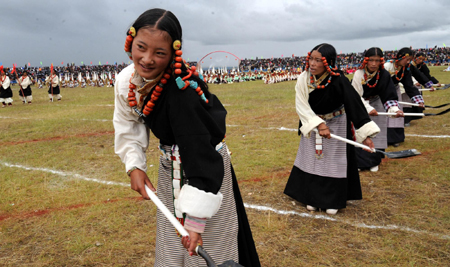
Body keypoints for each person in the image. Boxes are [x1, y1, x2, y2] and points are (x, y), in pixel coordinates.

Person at [113, 8, 260, 267]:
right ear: (130, 41)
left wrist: (195, 221)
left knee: (204, 246)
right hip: (172, 168)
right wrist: (134, 164)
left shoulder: (182, 92)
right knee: (172, 248)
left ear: (173, 55)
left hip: (204, 173)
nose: (147, 59)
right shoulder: (127, 81)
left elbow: (201, 154)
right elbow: (128, 124)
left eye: (159, 53)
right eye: (141, 47)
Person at [284, 43, 380, 215]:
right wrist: (319, 124)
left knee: (332, 162)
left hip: (336, 123)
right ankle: (311, 197)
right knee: (312, 160)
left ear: (328, 62)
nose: (312, 64)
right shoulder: (303, 79)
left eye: (318, 60)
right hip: (313, 125)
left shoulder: (339, 81)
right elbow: (301, 105)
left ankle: (331, 200)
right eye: (311, 59)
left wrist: (365, 135)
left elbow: (354, 105)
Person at [351, 48, 403, 172]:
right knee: (360, 130)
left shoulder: (384, 74)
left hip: (377, 101)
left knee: (377, 130)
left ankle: (374, 161)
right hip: (359, 103)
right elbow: (355, 96)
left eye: (377, 61)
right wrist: (368, 108)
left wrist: (394, 110)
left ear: (381, 62)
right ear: (366, 61)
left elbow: (388, 94)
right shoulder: (358, 73)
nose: (374, 64)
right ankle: (360, 162)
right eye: (371, 60)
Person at [384, 48, 424, 146]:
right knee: (384, 115)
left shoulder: (405, 69)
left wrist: (418, 101)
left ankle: (395, 139)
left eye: (410, 60)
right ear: (401, 57)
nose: (408, 62)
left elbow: (409, 85)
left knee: (397, 113)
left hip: (395, 90)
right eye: (407, 59)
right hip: (382, 92)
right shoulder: (386, 66)